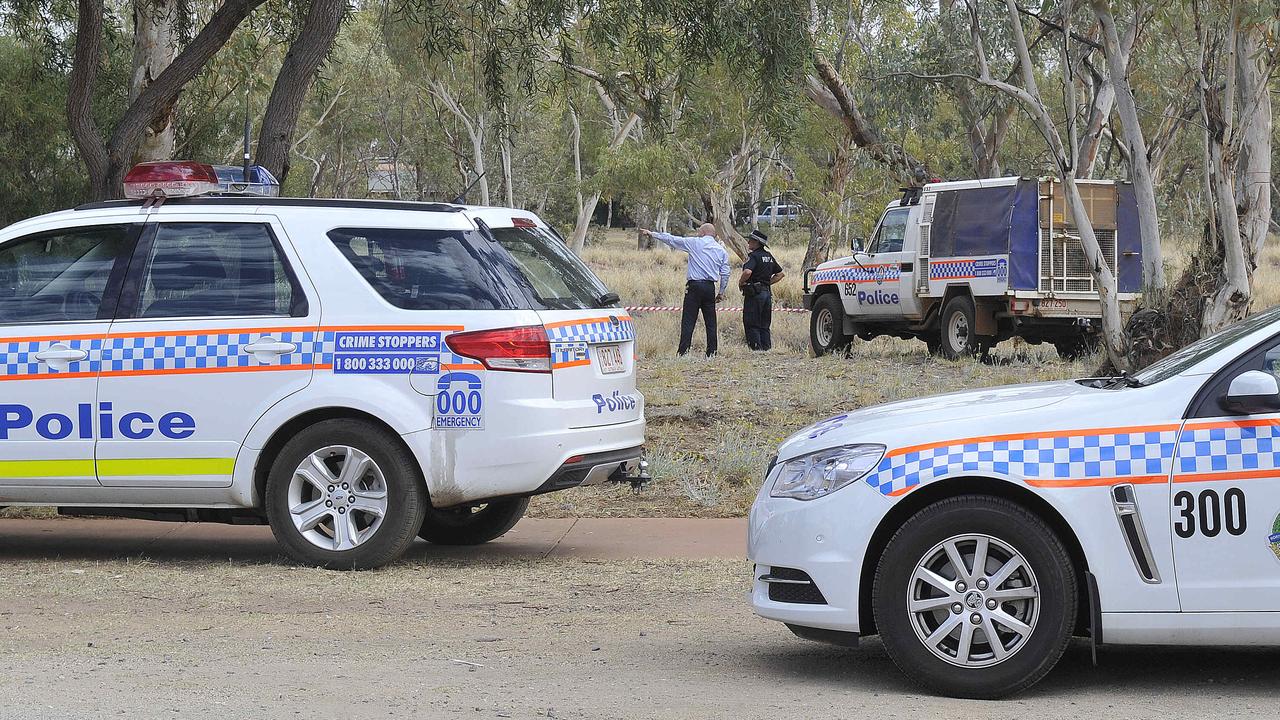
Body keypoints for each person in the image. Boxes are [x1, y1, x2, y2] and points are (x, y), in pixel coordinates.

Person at [639, 223, 731, 356]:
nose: (697, 233)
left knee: (688, 319)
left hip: (694, 286)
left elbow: (672, 240)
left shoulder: (694, 243)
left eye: (699, 231)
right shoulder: (721, 250)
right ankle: (712, 352)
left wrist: (652, 234)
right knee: (711, 321)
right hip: (710, 287)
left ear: (703, 233)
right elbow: (725, 273)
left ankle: (683, 352)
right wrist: (721, 292)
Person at [739, 229, 785, 351]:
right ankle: (766, 349)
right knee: (764, 324)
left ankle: (756, 349)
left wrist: (741, 282)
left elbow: (748, 271)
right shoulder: (769, 256)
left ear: (756, 242)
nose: (748, 242)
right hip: (766, 293)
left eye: (751, 240)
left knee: (751, 322)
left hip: (754, 293)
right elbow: (780, 274)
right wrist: (766, 283)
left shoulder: (753, 256)